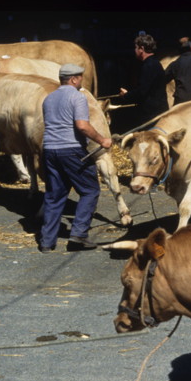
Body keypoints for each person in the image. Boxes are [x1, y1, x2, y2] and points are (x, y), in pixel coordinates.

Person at [39, 63, 113, 253]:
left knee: (55, 195)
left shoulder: (49, 99)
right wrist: (102, 140)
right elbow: (82, 126)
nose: (81, 80)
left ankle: (47, 242)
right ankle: (78, 234)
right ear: (73, 79)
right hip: (71, 149)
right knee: (89, 190)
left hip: (49, 149)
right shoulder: (77, 97)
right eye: (80, 77)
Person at [118, 34, 170, 127]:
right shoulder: (155, 63)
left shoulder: (148, 66)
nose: (135, 50)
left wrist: (126, 95)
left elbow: (142, 91)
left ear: (141, 49)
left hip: (152, 115)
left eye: (136, 48)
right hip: (157, 112)